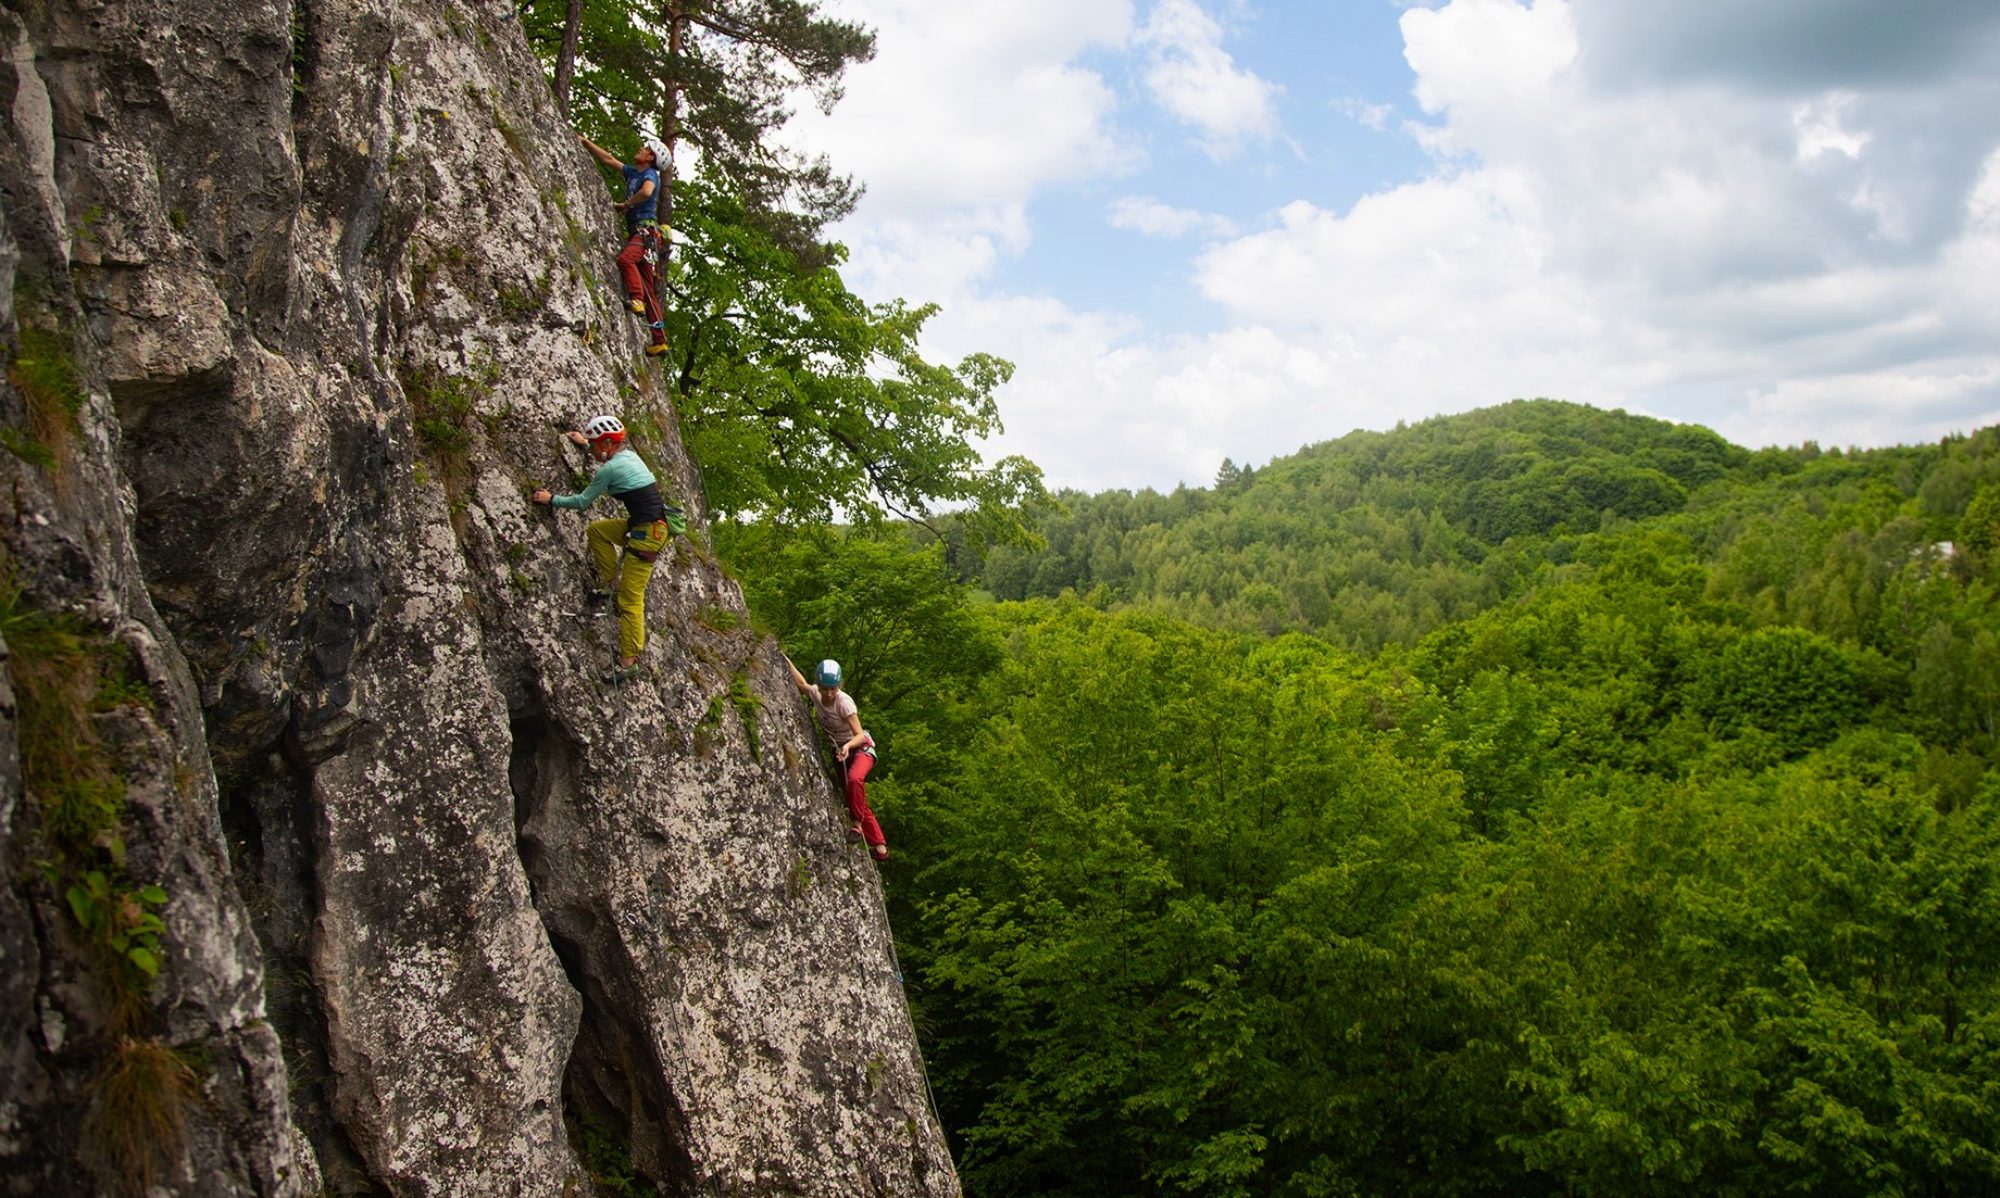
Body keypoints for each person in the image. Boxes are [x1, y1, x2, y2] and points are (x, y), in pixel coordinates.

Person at [531, 415, 685, 684]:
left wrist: (551, 499)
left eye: (593, 444)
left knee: (631, 598)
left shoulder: (609, 469)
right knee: (598, 531)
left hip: (647, 534)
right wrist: (583, 443)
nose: (590, 448)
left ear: (605, 444)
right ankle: (611, 583)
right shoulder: (629, 457)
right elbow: (611, 466)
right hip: (648, 525)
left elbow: (582, 502)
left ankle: (629, 661)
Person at [577, 131, 671, 358]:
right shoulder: (633, 172)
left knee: (626, 259)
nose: (640, 148)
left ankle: (636, 300)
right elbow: (609, 160)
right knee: (651, 289)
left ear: (650, 157)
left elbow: (647, 192)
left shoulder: (650, 175)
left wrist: (627, 205)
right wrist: (586, 142)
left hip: (645, 232)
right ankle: (659, 341)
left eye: (645, 148)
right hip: (648, 237)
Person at [787, 658, 888, 861]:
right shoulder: (816, 693)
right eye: (825, 689)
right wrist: (784, 659)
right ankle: (879, 846)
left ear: (839, 686)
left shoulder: (844, 702)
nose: (829, 693)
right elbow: (801, 684)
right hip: (842, 753)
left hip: (860, 749)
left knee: (854, 780)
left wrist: (848, 746)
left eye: (833, 689)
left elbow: (859, 734)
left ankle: (857, 826)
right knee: (854, 797)